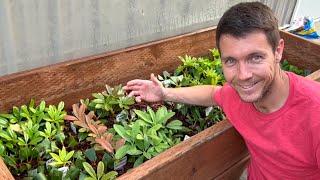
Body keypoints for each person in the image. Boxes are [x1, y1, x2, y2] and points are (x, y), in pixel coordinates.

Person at [124, 2, 320, 179]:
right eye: (231, 61)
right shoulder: (236, 95)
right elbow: (212, 93)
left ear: (278, 51)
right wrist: (164, 93)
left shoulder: (314, 112)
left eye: (255, 57)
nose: (243, 75)